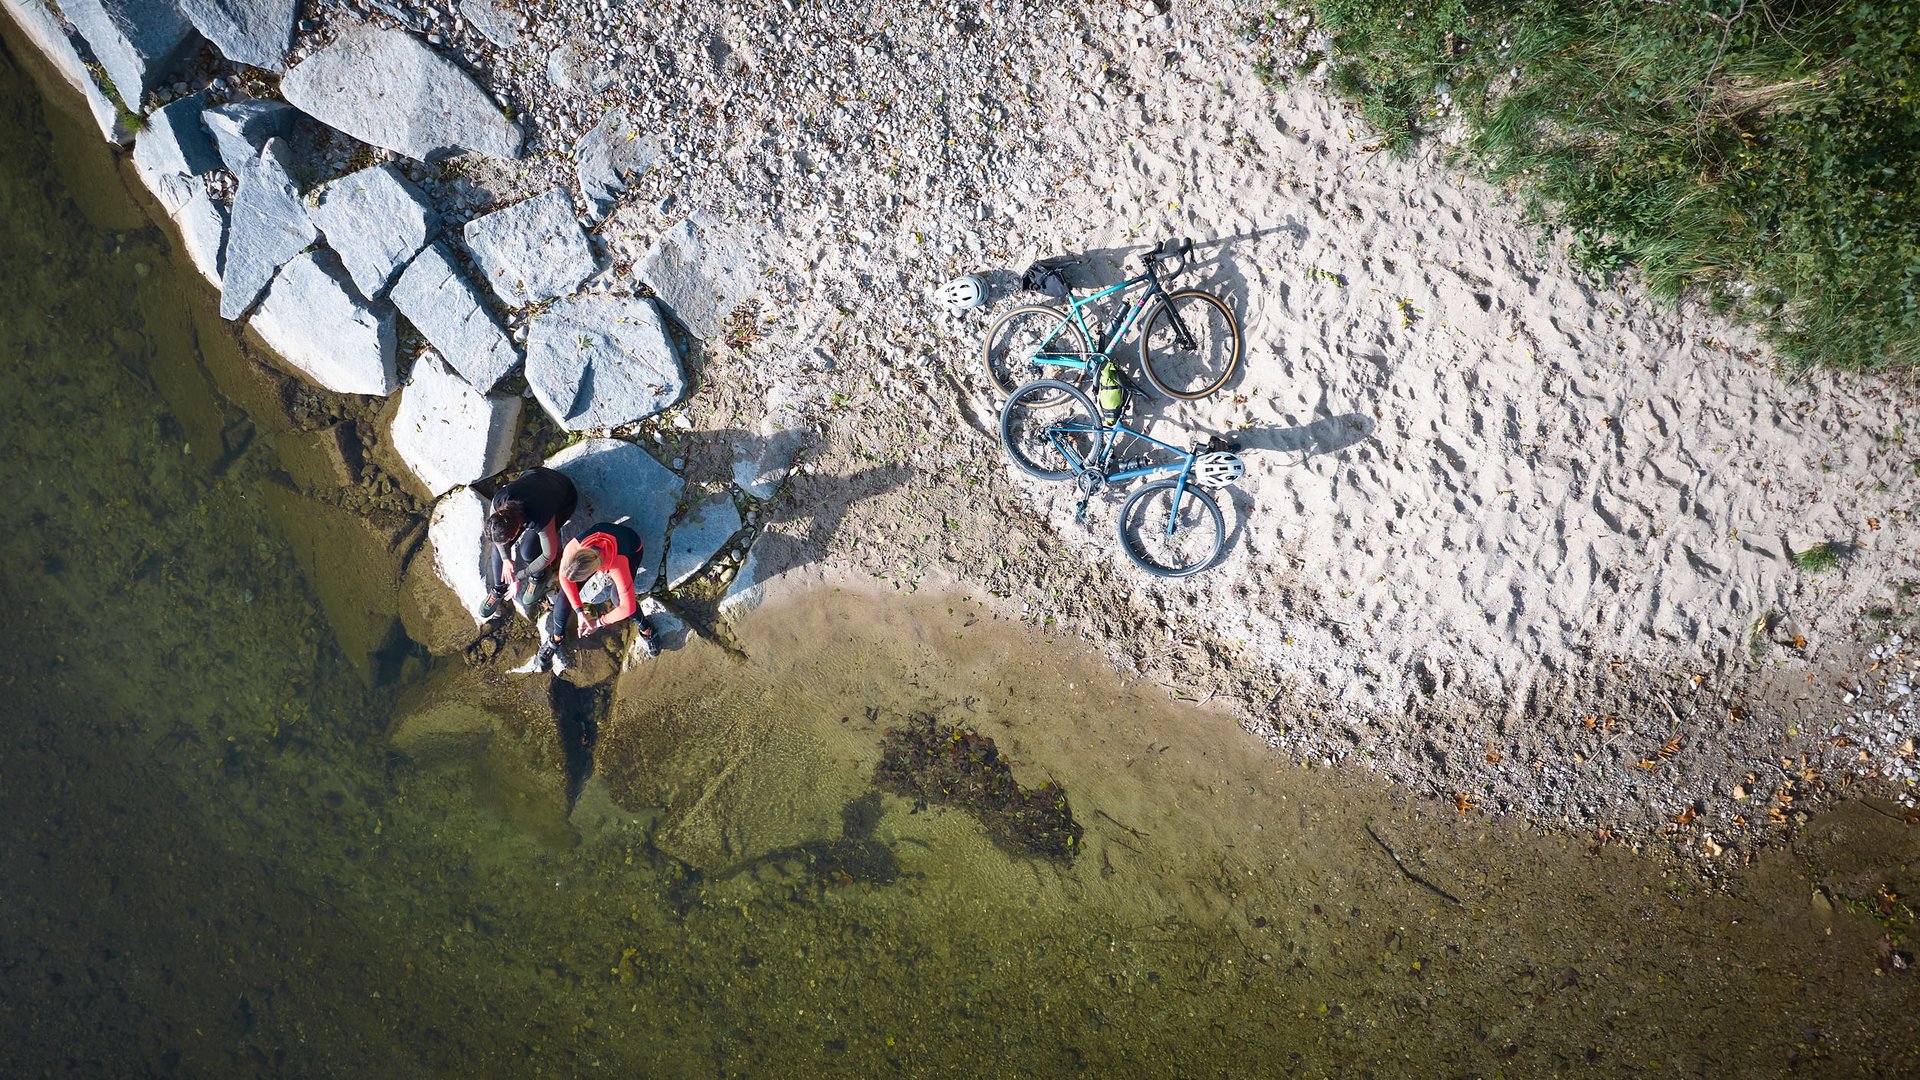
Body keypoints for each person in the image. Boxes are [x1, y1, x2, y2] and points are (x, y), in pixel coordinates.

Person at [521, 520, 659, 674]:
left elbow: (627, 608)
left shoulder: (617, 564)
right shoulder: (574, 548)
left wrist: (598, 622)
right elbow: (564, 579)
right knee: (564, 597)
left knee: (617, 598)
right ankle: (556, 639)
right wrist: (579, 612)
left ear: (593, 572)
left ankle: (647, 630)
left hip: (631, 548)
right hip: (599, 544)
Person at [480, 467, 577, 622]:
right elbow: (500, 541)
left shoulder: (538, 517)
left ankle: (538, 577)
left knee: (528, 551)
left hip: (564, 497)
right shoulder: (500, 500)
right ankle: (499, 589)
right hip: (536, 474)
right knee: (498, 548)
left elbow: (548, 555)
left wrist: (519, 576)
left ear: (517, 530)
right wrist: (505, 559)